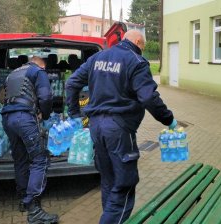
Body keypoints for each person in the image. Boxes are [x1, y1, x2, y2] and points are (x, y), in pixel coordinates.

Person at [66, 30, 177, 224]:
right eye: (142, 47)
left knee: (109, 180)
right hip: (118, 129)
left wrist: (75, 115)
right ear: (137, 41)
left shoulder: (97, 57)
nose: (142, 50)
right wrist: (168, 120)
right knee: (125, 183)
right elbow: (148, 97)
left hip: (96, 127)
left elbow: (72, 83)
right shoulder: (136, 61)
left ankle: (109, 217)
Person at [1, 56, 59, 224]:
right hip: (23, 118)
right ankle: (34, 210)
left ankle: (23, 200)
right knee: (39, 159)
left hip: (7, 118)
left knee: (20, 159)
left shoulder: (13, 73)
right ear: (41, 64)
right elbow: (46, 97)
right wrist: (45, 115)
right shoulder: (38, 71)